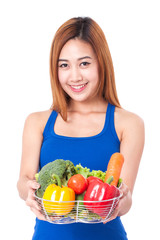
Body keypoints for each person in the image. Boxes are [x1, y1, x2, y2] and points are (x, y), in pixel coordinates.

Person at [17, 17, 145, 240]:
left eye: (84, 63)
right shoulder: (37, 122)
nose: (75, 76)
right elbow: (23, 180)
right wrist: (27, 190)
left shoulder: (128, 124)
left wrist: (123, 200)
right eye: (64, 65)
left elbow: (126, 199)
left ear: (101, 63)